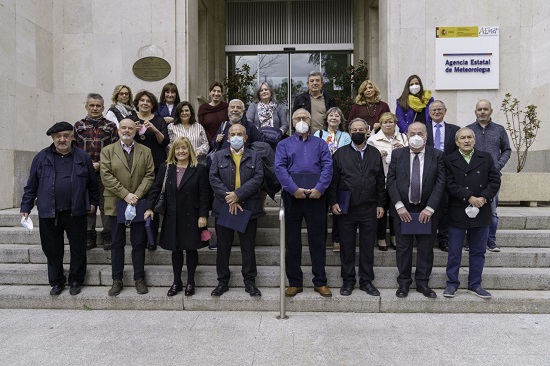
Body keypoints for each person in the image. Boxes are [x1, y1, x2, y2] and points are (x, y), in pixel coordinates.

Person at [20, 122, 99, 296]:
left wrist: (94, 202)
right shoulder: (42, 157)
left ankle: (76, 280)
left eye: (65, 135)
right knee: (52, 249)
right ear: (53, 138)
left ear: (72, 136)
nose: (62, 139)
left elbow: (93, 184)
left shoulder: (82, 157)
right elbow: (31, 184)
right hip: (49, 212)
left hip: (76, 211)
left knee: (78, 248)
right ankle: (56, 282)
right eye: (58, 136)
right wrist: (25, 206)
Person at [275, 108, 333, 298]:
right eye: (297, 118)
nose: (301, 120)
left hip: (316, 197)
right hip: (293, 198)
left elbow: (327, 166)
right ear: (292, 122)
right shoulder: (284, 144)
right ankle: (294, 282)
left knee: (318, 240)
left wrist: (320, 188)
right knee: (292, 241)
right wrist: (294, 189)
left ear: (310, 121)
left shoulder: (321, 143)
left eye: (304, 118)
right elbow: (280, 168)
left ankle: (320, 281)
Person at [386, 122, 446, 298]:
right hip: (403, 209)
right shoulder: (398, 154)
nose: (416, 136)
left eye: (420, 133)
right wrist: (399, 206)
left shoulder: (437, 155)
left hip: (427, 210)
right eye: (412, 133)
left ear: (426, 136)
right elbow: (391, 181)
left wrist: (430, 208)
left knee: (426, 249)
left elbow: (440, 183)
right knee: (403, 248)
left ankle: (422, 283)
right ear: (407, 135)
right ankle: (404, 283)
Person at [328, 118, 385, 297]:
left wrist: (381, 204)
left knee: (368, 246)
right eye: (354, 130)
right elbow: (333, 181)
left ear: (367, 131)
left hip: (369, 207)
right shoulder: (340, 154)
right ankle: (348, 281)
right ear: (349, 132)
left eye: (361, 129)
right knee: (347, 246)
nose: (358, 132)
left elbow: (380, 180)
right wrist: (333, 202)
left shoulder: (375, 153)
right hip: (346, 207)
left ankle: (366, 281)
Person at [145, 137, 209, 297]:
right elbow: (156, 188)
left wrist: (203, 215)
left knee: (191, 249)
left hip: (192, 216)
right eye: (178, 148)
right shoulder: (166, 168)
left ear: (190, 150)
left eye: (184, 148)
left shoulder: (199, 169)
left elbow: (205, 194)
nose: (181, 151)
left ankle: (191, 282)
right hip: (172, 215)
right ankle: (177, 281)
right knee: (176, 250)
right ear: (173, 151)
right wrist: (149, 207)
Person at [443, 127, 501, 299]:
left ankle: (475, 284)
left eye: (469, 137)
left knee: (478, 251)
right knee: (454, 251)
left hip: (481, 210)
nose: (466, 140)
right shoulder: (448, 160)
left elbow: (495, 180)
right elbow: (449, 184)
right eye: (463, 138)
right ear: (457, 142)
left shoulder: (486, 158)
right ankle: (452, 284)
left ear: (474, 140)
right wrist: (468, 197)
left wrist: (483, 197)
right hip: (458, 211)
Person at [100, 118, 155, 297]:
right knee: (117, 243)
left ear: (135, 130)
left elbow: (149, 175)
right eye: (123, 127)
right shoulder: (107, 151)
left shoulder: (145, 151)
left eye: (130, 128)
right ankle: (117, 279)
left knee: (139, 242)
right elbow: (106, 176)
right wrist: (125, 194)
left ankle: (139, 278)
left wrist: (136, 195)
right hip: (116, 203)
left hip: (138, 203)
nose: (127, 130)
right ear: (118, 130)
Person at [209, 123, 265, 297]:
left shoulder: (255, 156)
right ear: (227, 138)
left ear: (246, 138)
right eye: (233, 134)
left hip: (248, 208)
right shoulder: (218, 156)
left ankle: (250, 282)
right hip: (224, 207)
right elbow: (213, 178)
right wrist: (230, 197)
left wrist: (238, 195)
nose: (236, 137)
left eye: (240, 134)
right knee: (223, 247)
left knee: (248, 247)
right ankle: (222, 282)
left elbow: (258, 178)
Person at [73, 93, 119, 251]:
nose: (95, 108)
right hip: (84, 172)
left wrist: (101, 164)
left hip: (105, 171)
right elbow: (74, 150)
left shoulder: (111, 126)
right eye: (91, 105)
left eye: (98, 106)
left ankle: (107, 233)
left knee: (105, 203)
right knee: (87, 203)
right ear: (86, 106)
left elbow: (116, 150)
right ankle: (89, 233)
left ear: (103, 107)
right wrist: (86, 165)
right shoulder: (78, 126)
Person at [467, 99, 511, 252]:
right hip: (472, 177)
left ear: (491, 111)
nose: (482, 112)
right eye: (479, 109)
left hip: (492, 178)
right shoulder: (469, 130)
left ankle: (491, 240)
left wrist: (498, 165)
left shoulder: (499, 130)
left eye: (485, 109)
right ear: (475, 112)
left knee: (492, 211)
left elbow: (507, 150)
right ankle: (470, 241)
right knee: (471, 207)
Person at [130, 90, 170, 251]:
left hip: (156, 165)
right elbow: (124, 140)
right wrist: (133, 130)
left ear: (153, 104)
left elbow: (164, 142)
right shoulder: (131, 120)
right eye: (142, 100)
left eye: (148, 101)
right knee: (139, 200)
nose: (145, 103)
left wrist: (154, 129)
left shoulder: (159, 120)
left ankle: (152, 238)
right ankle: (140, 236)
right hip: (135, 166)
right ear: (137, 103)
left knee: (152, 200)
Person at [367, 112, 408, 250]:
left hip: (398, 181)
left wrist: (404, 150)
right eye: (385, 122)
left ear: (395, 124)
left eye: (391, 122)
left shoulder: (403, 138)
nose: (388, 124)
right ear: (381, 124)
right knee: (381, 210)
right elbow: (367, 162)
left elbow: (412, 156)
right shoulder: (373, 140)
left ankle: (394, 237)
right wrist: (377, 156)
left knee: (396, 209)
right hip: (381, 181)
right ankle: (381, 237)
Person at [314, 107, 351, 253]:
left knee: (338, 210)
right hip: (322, 175)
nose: (334, 118)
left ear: (341, 120)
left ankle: (336, 239)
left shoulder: (346, 136)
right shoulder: (319, 133)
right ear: (326, 119)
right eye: (331, 115)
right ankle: (320, 240)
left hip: (339, 176)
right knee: (320, 211)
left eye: (337, 115)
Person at [426, 100, 460, 252]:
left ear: (445, 111)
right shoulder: (423, 130)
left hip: (448, 174)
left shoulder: (455, 130)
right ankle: (427, 237)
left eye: (440, 109)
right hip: (426, 173)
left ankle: (444, 238)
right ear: (429, 112)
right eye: (434, 109)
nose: (437, 112)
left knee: (445, 207)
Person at [291, 71, 336, 135]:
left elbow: (335, 118)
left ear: (322, 84)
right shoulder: (300, 99)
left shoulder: (330, 99)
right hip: (306, 136)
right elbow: (294, 119)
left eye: (317, 80)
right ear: (308, 84)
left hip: (325, 136)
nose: (315, 83)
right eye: (312, 81)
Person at [246, 82, 288, 147]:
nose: (264, 92)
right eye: (261, 90)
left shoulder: (278, 107)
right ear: (258, 94)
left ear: (271, 92)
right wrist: (256, 133)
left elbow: (285, 125)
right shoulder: (253, 106)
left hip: (276, 142)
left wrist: (278, 133)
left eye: (266, 89)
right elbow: (249, 121)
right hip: (258, 141)